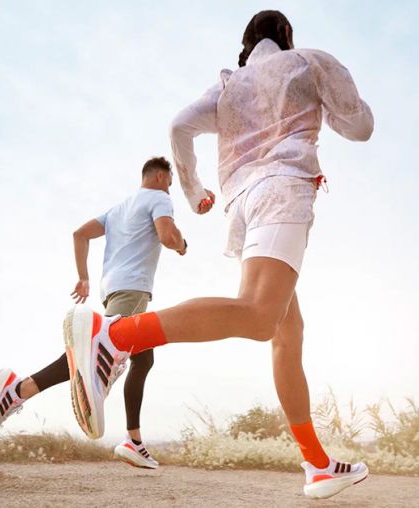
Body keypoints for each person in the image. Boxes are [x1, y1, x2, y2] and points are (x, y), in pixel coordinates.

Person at [63, 10, 374, 498]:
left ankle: (316, 463)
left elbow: (179, 126)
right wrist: (324, 104)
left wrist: (193, 192)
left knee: (287, 332)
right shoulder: (308, 63)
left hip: (241, 206)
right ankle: (115, 335)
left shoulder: (228, 88)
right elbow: (360, 126)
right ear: (287, 37)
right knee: (258, 318)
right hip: (284, 190)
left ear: (247, 45)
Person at [0, 156, 186, 469]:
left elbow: (79, 234)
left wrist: (84, 277)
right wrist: (182, 244)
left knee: (143, 357)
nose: (170, 191)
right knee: (92, 354)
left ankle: (133, 441)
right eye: (171, 184)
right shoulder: (160, 198)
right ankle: (18, 389)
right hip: (132, 291)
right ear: (161, 177)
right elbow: (168, 236)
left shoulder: (119, 209)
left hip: (113, 290)